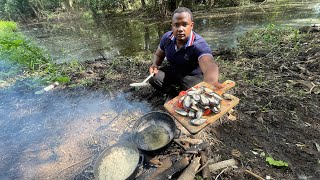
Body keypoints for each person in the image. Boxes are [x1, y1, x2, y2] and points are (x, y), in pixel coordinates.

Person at [149, 7, 221, 102]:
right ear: (172, 26)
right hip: (173, 70)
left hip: (191, 76)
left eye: (185, 24)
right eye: (176, 25)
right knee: (154, 78)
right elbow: (158, 54)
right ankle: (172, 93)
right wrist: (155, 64)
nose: (180, 29)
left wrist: (210, 83)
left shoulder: (198, 44)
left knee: (198, 95)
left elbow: (209, 65)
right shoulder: (167, 38)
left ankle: (186, 93)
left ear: (191, 25)